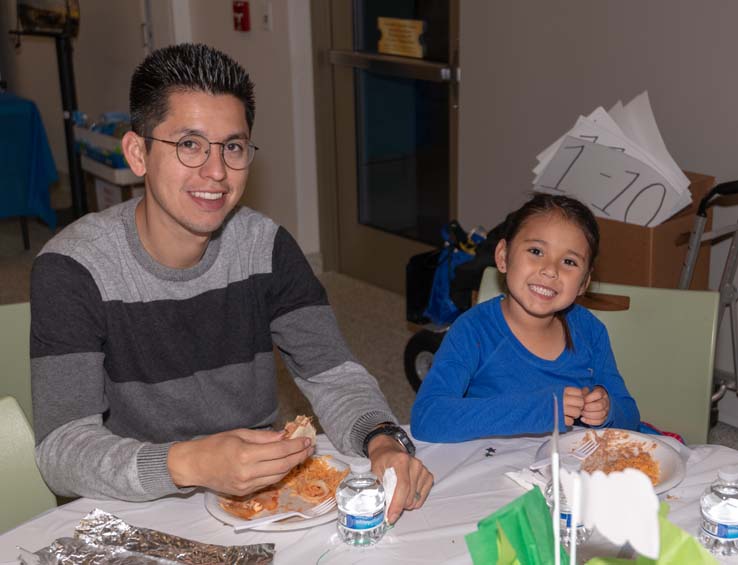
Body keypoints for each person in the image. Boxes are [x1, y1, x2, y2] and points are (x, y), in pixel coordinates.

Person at [30, 43, 432, 523]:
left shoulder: (266, 247)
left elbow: (333, 375)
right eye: (189, 144)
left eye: (233, 147)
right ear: (138, 153)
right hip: (136, 508)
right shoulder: (74, 267)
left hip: (260, 501)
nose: (216, 171)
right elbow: (61, 450)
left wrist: (383, 439)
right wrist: (190, 462)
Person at [410, 193, 640, 442]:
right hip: (496, 470)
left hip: (573, 471)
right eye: (536, 251)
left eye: (569, 261)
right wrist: (540, 409)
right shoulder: (473, 330)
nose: (551, 270)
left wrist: (608, 411)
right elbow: (427, 418)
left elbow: (631, 418)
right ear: (502, 257)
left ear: (584, 282)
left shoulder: (591, 331)